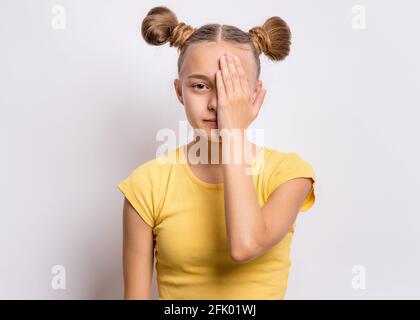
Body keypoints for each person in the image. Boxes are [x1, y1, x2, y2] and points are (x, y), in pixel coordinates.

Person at [118, 5, 317, 300]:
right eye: (200, 85)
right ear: (178, 91)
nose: (217, 103)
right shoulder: (147, 184)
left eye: (231, 87)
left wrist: (233, 132)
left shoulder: (288, 174)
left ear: (254, 94)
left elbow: (244, 245)